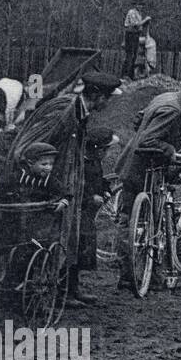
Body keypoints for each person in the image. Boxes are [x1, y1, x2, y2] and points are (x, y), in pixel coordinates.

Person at [7, 70, 122, 304]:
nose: (109, 103)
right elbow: (26, 151)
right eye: (108, 97)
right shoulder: (63, 111)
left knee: (68, 238)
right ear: (97, 95)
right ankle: (35, 295)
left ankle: (65, 290)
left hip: (66, 189)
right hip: (43, 192)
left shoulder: (80, 112)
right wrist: (46, 183)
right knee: (41, 242)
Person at [113, 72, 181, 289]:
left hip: (145, 166)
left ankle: (146, 274)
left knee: (147, 221)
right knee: (132, 222)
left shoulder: (167, 98)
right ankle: (129, 276)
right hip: (140, 169)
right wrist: (169, 149)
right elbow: (149, 139)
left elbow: (139, 119)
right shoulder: (174, 108)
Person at [75, 127, 118, 300]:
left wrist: (105, 190)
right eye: (106, 149)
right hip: (79, 213)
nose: (106, 153)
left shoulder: (94, 163)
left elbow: (99, 180)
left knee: (83, 248)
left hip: (87, 216)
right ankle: (68, 290)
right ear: (97, 149)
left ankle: (75, 287)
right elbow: (78, 187)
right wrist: (90, 197)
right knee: (77, 248)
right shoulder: (81, 164)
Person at [121, 5, 150, 80]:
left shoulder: (139, 14)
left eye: (141, 5)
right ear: (136, 5)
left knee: (134, 55)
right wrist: (145, 20)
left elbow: (140, 26)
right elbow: (136, 25)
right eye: (139, 5)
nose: (141, 7)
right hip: (131, 34)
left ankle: (131, 75)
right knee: (130, 55)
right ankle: (125, 74)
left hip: (136, 34)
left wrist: (145, 23)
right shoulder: (132, 12)